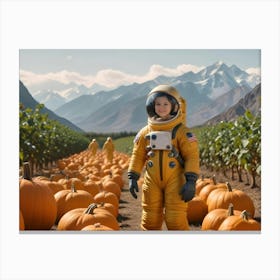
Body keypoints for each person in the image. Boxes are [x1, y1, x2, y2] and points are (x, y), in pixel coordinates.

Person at [127, 84, 200, 230]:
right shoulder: (145, 131)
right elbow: (138, 154)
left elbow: (192, 156)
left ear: (174, 106)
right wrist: (132, 176)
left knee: (175, 219)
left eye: (166, 104)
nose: (161, 107)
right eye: (158, 104)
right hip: (151, 180)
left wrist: (191, 181)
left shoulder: (182, 132)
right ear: (152, 106)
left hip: (175, 179)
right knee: (150, 219)